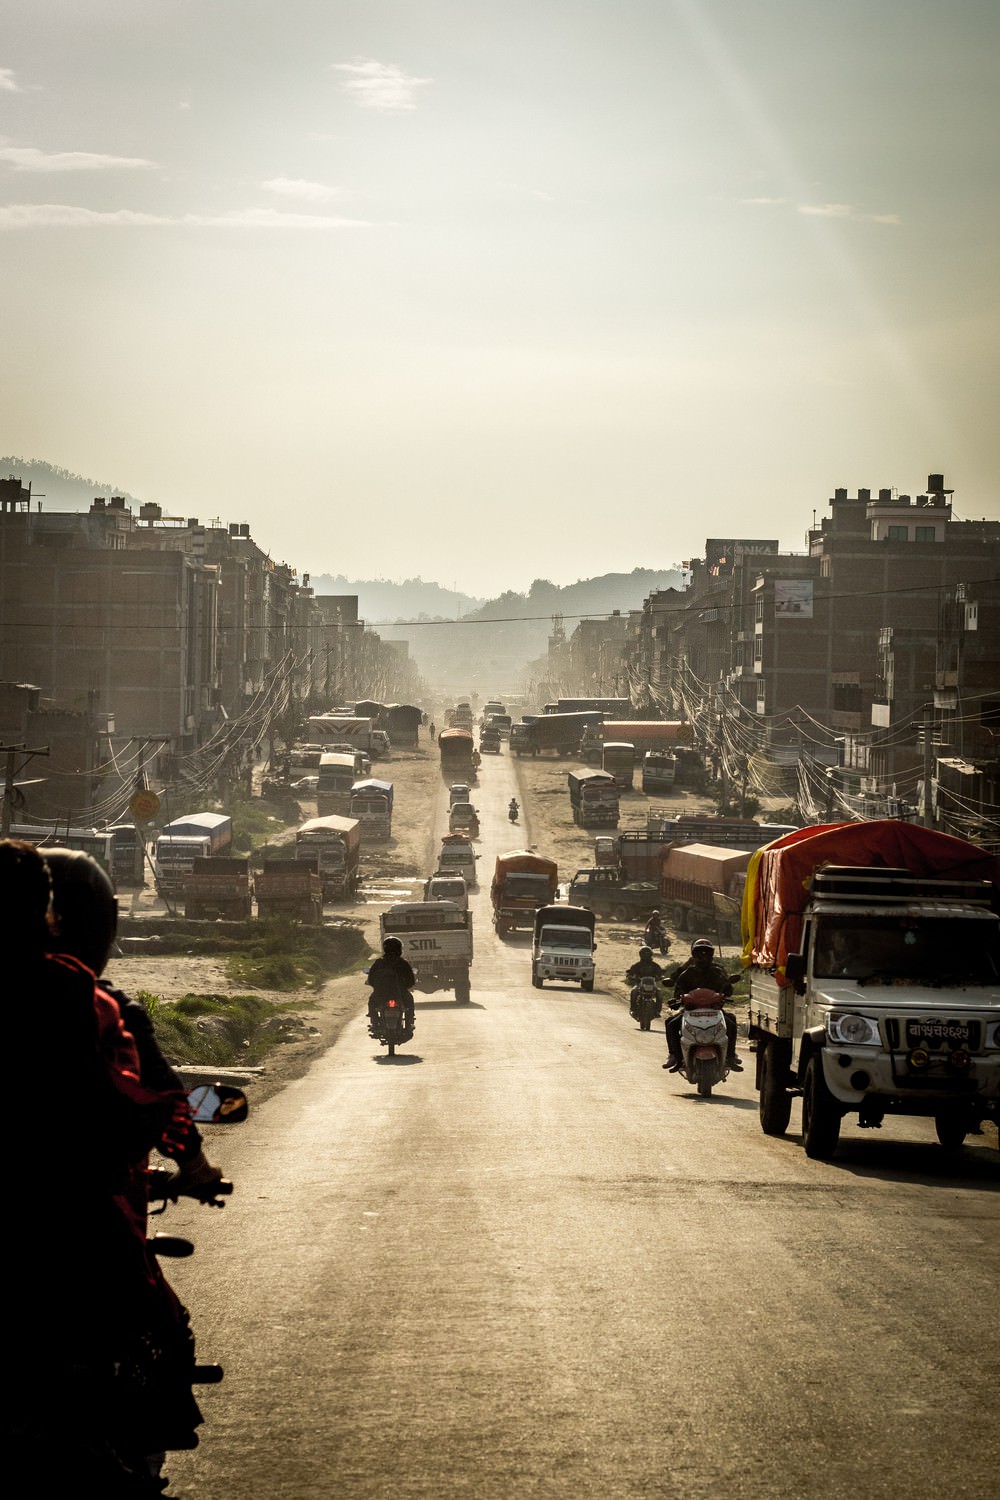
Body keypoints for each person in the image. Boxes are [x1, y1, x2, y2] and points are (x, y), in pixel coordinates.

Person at [663, 938, 743, 1072]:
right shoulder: (686, 973)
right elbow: (678, 991)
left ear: (712, 955)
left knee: (731, 1022)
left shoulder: (718, 972)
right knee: (671, 1023)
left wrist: (726, 991)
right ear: (694, 955)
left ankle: (730, 1056)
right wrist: (677, 1000)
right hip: (690, 1011)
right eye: (700, 953)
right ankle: (675, 1056)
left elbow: (728, 990)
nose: (703, 956)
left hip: (714, 1010)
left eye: (707, 953)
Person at [366, 936, 416, 1040]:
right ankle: (409, 1024)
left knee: (372, 1003)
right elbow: (411, 980)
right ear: (399, 949)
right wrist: (405, 986)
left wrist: (377, 987)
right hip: (400, 994)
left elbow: (371, 979)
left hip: (380, 994)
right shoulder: (403, 963)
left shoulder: (379, 962)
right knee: (410, 1002)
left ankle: (375, 1023)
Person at [625, 945, 667, 1018]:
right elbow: (631, 972)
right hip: (639, 984)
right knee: (633, 992)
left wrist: (661, 976)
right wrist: (630, 976)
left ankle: (657, 1011)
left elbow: (660, 972)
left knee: (659, 993)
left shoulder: (655, 965)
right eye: (644, 954)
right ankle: (633, 1010)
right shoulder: (637, 965)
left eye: (647, 954)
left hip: (652, 985)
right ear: (641, 955)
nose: (646, 956)